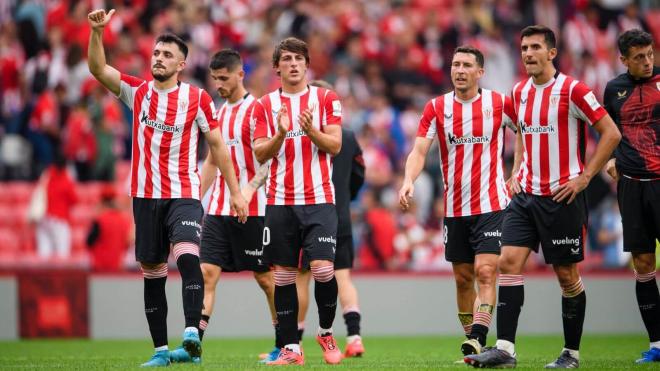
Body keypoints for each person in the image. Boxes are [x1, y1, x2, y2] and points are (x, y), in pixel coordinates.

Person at [86, 9, 248, 367]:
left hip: (183, 193)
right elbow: (98, 69)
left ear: (181, 65)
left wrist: (236, 192)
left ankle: (191, 334)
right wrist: (97, 33)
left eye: (167, 55)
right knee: (153, 272)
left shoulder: (198, 99)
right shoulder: (137, 92)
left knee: (189, 256)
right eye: (156, 53)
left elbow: (218, 147)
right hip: (145, 196)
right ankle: (160, 352)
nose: (158, 59)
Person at [465, 25, 621, 369]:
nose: (528, 53)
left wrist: (584, 178)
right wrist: (516, 171)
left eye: (535, 47)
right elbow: (520, 132)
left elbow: (611, 132)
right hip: (526, 195)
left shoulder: (573, 90)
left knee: (566, 275)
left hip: (563, 195)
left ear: (551, 52)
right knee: (507, 262)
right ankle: (505, 349)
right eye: (523, 48)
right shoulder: (518, 92)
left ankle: (571, 353)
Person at [398, 46, 515, 359]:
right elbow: (419, 150)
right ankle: (472, 342)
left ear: (480, 72)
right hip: (455, 208)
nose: (459, 70)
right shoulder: (436, 108)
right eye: (455, 65)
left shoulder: (499, 103)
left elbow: (528, 136)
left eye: (466, 65)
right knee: (464, 280)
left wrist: (518, 173)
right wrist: (409, 179)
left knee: (486, 272)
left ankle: (478, 337)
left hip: (492, 204)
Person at [168, 49, 280, 364]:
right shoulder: (217, 110)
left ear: (240, 74)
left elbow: (268, 161)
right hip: (218, 207)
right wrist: (193, 197)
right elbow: (212, 160)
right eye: (215, 78)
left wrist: (244, 192)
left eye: (224, 78)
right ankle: (194, 345)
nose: (219, 84)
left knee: (265, 279)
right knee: (207, 272)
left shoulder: (257, 109)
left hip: (254, 207)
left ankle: (283, 342)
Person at [252, 37, 343, 365]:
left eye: (298, 58)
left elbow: (335, 146)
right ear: (277, 67)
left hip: (319, 199)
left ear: (307, 64)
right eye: (286, 59)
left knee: (322, 268)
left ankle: (326, 331)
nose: (293, 64)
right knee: (284, 276)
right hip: (279, 202)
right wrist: (280, 134)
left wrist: (310, 131)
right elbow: (259, 151)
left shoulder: (326, 99)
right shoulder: (263, 105)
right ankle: (291, 348)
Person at [295, 80, 366, 358]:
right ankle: (355, 337)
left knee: (301, 278)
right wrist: (347, 197)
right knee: (343, 277)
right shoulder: (347, 136)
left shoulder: (302, 133)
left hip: (308, 212)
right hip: (340, 215)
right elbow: (360, 174)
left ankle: (294, 342)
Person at [602, 29, 659, 364]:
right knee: (643, 263)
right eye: (639, 57)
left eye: (650, 54)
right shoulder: (613, 90)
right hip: (632, 186)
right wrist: (610, 157)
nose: (647, 61)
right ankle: (658, 343)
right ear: (624, 59)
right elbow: (610, 132)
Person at [86, 185, 133, 272]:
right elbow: (128, 243)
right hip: (117, 268)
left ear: (102, 202)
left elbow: (89, 242)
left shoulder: (99, 219)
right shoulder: (125, 220)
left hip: (99, 268)